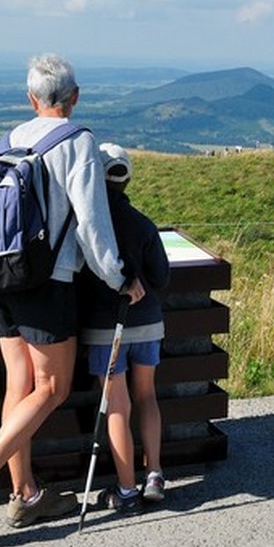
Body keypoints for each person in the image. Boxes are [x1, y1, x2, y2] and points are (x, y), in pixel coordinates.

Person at [0, 53, 137, 546]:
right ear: (75, 98)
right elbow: (93, 226)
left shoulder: (11, 138)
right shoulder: (78, 142)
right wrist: (119, 278)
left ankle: (26, 494)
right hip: (46, 282)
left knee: (20, 383)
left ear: (31, 99)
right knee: (51, 388)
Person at [79, 142, 171, 514]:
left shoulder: (88, 225)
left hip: (105, 328)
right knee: (146, 394)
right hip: (148, 323)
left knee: (117, 405)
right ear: (127, 179)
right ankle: (155, 473)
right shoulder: (144, 224)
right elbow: (161, 277)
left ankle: (127, 489)